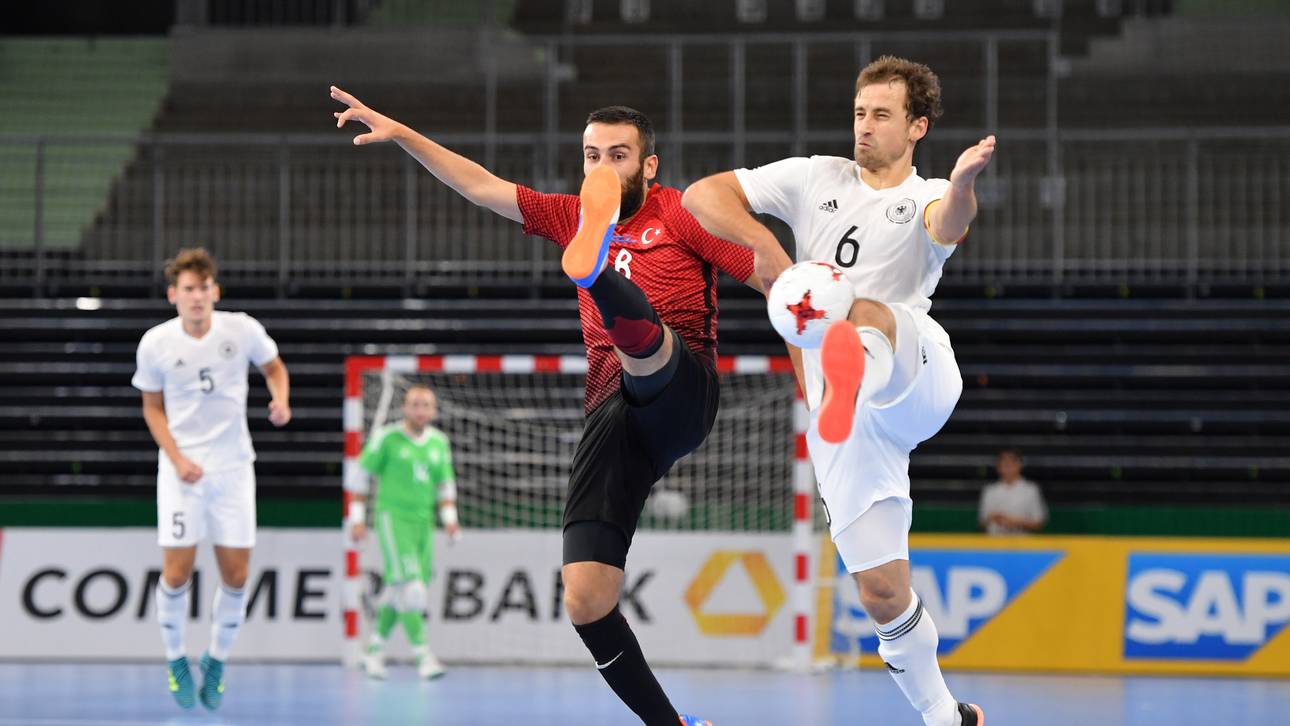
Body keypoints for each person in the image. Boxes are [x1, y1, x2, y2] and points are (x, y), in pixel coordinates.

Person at [332, 86, 759, 726]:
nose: (603, 168)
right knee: (586, 599)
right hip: (614, 417)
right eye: (591, 156)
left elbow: (772, 276)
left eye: (618, 155)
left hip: (682, 385)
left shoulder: (685, 213)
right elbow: (480, 185)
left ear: (650, 166)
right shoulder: (567, 213)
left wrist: (831, 328)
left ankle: (593, 275)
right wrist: (404, 134)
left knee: (643, 354)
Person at [683, 56, 993, 726]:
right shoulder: (813, 176)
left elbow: (949, 220)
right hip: (842, 420)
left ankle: (852, 362)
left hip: (916, 371)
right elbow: (701, 197)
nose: (864, 126)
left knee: (864, 314)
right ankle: (945, 715)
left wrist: (966, 182)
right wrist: (776, 259)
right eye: (859, 112)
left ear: (916, 126)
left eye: (881, 115)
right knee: (881, 591)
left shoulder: (927, 192)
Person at [132, 247, 291, 711]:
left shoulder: (241, 329)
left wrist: (280, 399)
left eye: (204, 288)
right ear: (173, 295)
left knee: (237, 576)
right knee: (177, 572)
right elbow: (152, 407)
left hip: (234, 468)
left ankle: (217, 660)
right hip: (182, 470)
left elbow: (274, 366)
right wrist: (178, 458)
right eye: (188, 289)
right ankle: (176, 658)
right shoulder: (155, 343)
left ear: (214, 292)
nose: (197, 297)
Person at [348, 384, 461, 679]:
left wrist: (450, 518)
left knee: (401, 591)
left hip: (424, 523)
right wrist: (357, 518)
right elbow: (360, 478)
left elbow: (444, 484)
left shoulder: (439, 442)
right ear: (404, 408)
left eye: (426, 405)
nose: (420, 410)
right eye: (415, 404)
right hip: (392, 519)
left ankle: (372, 651)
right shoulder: (387, 438)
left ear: (434, 411)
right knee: (412, 591)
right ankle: (424, 658)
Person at [978, 448, 1047, 535]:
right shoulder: (990, 491)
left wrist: (1017, 522)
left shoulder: (1031, 490)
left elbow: (1039, 523)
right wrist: (993, 518)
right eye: (1004, 463)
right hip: (995, 543)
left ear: (1020, 465)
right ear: (998, 467)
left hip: (1023, 543)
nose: (1007, 466)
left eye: (1011, 462)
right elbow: (981, 522)